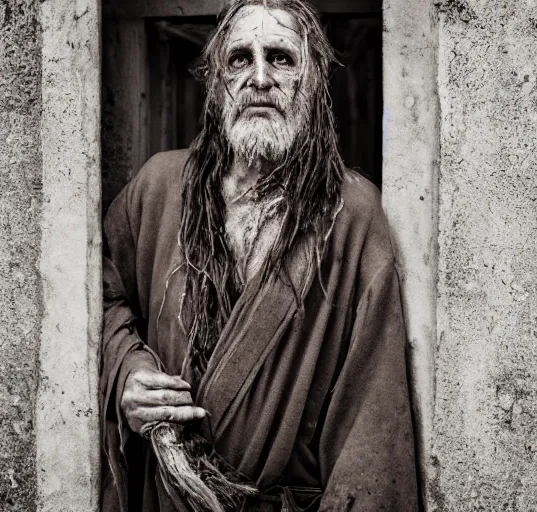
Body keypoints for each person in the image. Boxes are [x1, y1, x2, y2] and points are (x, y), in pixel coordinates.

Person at [100, 0, 417, 510]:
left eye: (282, 59)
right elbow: (97, 295)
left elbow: (371, 429)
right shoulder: (159, 188)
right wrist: (128, 373)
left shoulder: (352, 213)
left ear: (312, 82)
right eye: (240, 59)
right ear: (214, 81)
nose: (261, 78)